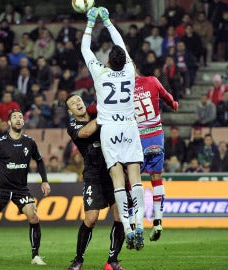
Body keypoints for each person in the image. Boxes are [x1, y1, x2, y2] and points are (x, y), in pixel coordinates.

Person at [81, 7, 145, 250]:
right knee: (135, 178)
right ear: (125, 59)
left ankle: (127, 228)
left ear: (108, 61)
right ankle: (138, 224)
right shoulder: (129, 71)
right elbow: (121, 45)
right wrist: (108, 22)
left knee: (118, 179)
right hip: (129, 127)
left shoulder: (99, 73)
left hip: (109, 129)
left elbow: (85, 49)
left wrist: (91, 23)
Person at [0, 109, 51, 265]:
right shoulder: (0, 142)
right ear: (9, 123)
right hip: (1, 187)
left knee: (34, 216)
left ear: (23, 122)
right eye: (14, 117)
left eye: (20, 117)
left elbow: (39, 160)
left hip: (20, 189)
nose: (18, 119)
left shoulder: (30, 142)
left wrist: (44, 180)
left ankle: (35, 256)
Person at [66, 94, 125, 270]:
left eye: (79, 100)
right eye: (73, 103)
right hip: (93, 175)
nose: (78, 103)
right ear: (70, 111)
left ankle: (112, 261)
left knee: (120, 216)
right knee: (91, 219)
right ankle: (78, 260)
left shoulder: (97, 114)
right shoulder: (73, 126)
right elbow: (86, 132)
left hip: (112, 171)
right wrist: (105, 114)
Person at [134, 74, 178, 241]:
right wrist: (174, 104)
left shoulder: (123, 87)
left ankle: (136, 224)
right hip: (156, 135)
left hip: (138, 138)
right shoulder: (152, 80)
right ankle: (158, 220)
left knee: (133, 179)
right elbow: (168, 98)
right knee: (157, 178)